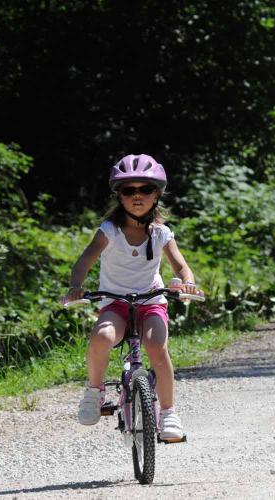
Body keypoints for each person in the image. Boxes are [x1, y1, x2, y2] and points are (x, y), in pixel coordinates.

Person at [62, 154, 200, 441]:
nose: (137, 196)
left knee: (156, 346)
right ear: (119, 196)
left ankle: (168, 412)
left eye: (145, 190)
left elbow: (181, 266)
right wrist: (76, 285)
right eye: (129, 190)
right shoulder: (109, 231)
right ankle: (94, 392)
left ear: (157, 195)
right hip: (115, 303)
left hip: (151, 302)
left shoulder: (161, 233)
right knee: (101, 336)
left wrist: (187, 283)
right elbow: (84, 262)